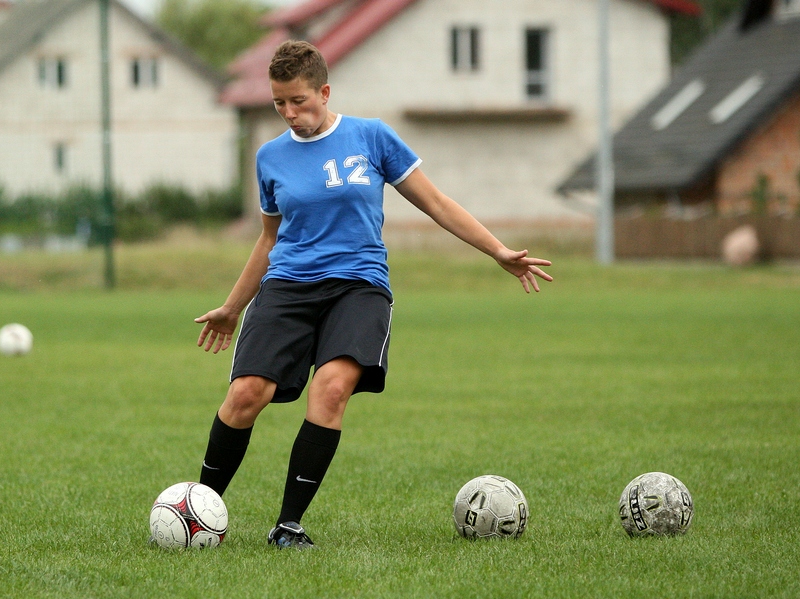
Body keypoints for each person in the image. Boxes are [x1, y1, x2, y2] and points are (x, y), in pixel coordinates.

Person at [194, 40, 552, 550]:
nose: (290, 114)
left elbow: (437, 203)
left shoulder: (372, 137)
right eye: (279, 103)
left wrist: (497, 251)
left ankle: (288, 525)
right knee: (247, 393)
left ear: (324, 90)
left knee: (332, 389)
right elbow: (269, 239)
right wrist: (232, 307)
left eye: (299, 101)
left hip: (359, 286)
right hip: (289, 285)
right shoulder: (270, 157)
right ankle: (198, 513)